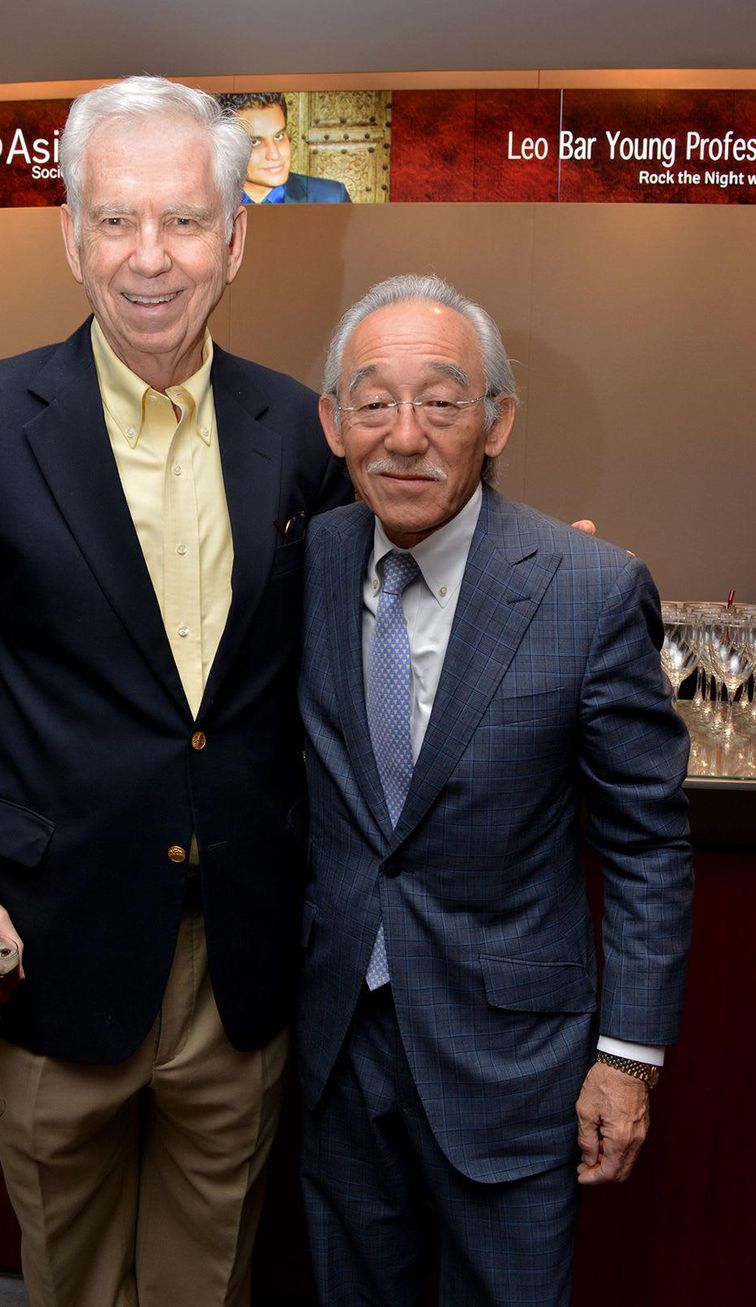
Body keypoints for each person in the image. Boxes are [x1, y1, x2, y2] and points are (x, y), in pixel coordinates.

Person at [0, 76, 351, 1307]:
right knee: (75, 1281)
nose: (149, 258)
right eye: (114, 219)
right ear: (68, 231)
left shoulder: (302, 431)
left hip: (240, 962)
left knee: (214, 1282)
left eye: (185, 221)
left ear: (236, 234)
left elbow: (364, 634)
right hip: (50, 948)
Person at [297, 274, 693, 1306]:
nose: (404, 435)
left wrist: (627, 1056)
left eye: (440, 400)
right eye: (372, 402)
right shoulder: (299, 565)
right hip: (335, 1047)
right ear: (333, 422)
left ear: (495, 419)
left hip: (513, 1060)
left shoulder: (587, 587)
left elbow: (646, 843)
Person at [218, 92, 352, 204]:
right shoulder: (208, 202)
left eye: (278, 136)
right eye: (254, 142)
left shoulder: (331, 198)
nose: (274, 154)